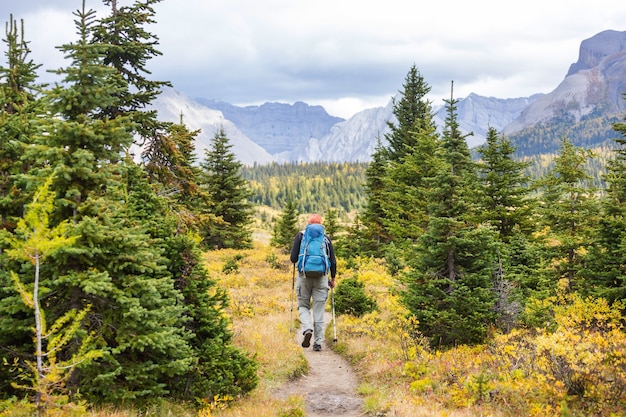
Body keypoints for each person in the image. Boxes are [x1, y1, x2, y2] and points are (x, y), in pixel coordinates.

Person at [290, 213, 337, 351]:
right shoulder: (325, 238)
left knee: (303, 306)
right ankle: (317, 343)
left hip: (304, 276)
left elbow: (293, 258)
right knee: (319, 310)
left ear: (308, 224)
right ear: (321, 224)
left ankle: (307, 328)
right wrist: (332, 278)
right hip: (321, 278)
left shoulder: (301, 236)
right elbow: (333, 261)